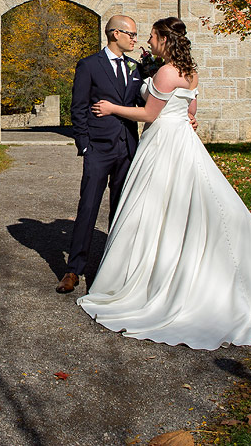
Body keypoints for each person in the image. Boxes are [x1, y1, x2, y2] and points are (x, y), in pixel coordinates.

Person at [76, 17, 251, 348]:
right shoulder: (190, 72)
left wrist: (113, 107)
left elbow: (149, 115)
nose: (149, 41)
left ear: (163, 39)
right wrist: (187, 116)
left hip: (164, 144)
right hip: (184, 141)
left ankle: (152, 273)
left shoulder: (165, 72)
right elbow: (190, 111)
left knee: (155, 205)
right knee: (188, 202)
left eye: (153, 37)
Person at [58, 15, 148, 294]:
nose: (135, 39)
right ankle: (74, 269)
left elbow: (146, 102)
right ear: (114, 34)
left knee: (121, 209)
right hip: (98, 148)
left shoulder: (136, 67)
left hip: (127, 148)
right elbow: (79, 107)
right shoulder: (89, 65)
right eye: (131, 34)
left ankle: (114, 268)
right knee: (88, 207)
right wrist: (85, 145)